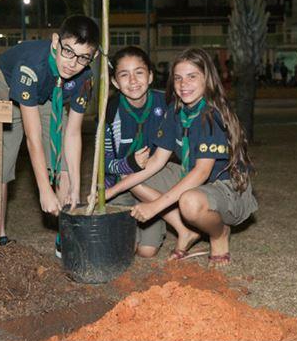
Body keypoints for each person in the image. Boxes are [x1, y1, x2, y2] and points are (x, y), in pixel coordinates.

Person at [106, 48, 258, 267]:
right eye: (178, 78)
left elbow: (202, 172)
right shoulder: (176, 111)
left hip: (226, 187)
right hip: (193, 178)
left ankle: (219, 234)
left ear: (207, 78)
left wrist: (155, 206)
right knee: (131, 175)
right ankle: (185, 230)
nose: (183, 84)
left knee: (190, 201)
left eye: (191, 76)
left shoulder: (211, 114)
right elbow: (156, 162)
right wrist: (111, 192)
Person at [0, 15, 98, 248]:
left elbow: (73, 133)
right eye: (68, 51)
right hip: (8, 85)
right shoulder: (30, 65)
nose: (72, 63)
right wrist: (44, 189)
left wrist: (76, 186)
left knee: (63, 160)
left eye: (83, 57)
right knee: (1, 159)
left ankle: (65, 235)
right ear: (55, 41)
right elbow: (32, 138)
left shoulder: (85, 78)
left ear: (92, 57)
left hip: (47, 93)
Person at [104, 47, 171, 258]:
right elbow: (104, 163)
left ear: (150, 76)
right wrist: (129, 164)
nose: (133, 81)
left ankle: (161, 216)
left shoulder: (167, 103)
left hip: (152, 182)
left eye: (139, 72)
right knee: (125, 250)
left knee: (146, 251)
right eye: (124, 74)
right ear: (115, 82)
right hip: (119, 186)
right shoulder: (109, 111)